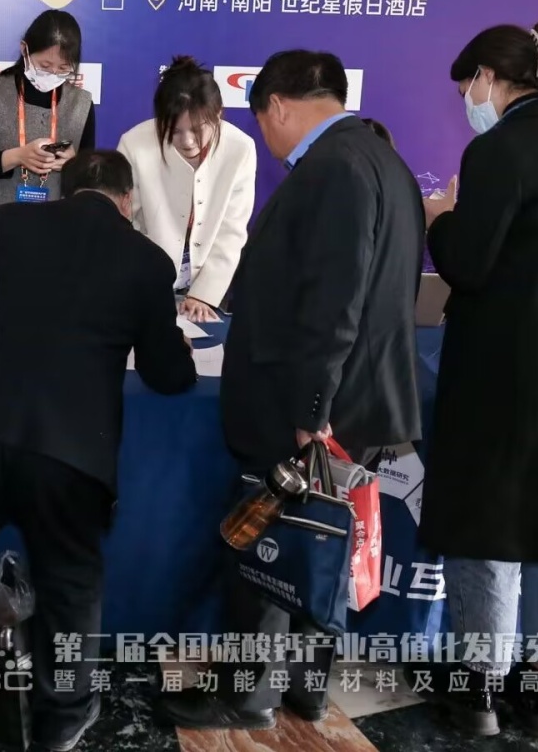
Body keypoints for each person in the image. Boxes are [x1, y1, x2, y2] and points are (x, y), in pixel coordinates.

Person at [155, 50, 424, 731]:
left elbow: (334, 302)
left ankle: (246, 695)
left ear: (276, 106)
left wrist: (311, 410)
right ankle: (304, 685)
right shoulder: (381, 159)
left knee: (273, 547)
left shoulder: (333, 168)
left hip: (310, 405)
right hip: (357, 399)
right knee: (322, 542)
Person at [416, 22, 538, 739]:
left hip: (501, 372)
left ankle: (477, 693)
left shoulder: (500, 149)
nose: (469, 102)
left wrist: (440, 219)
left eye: (467, 88)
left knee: (490, 531)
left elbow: (468, 263)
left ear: (488, 78)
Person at [0, 149, 198, 751]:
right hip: (70, 456)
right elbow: (166, 375)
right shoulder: (146, 259)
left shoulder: (4, 223)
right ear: (128, 199)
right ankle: (64, 713)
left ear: (65, 189)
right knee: (70, 586)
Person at [117, 56, 257, 323]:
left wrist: (205, 293)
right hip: (145, 279)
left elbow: (232, 229)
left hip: (210, 283)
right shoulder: (134, 144)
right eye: (174, 130)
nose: (188, 141)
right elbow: (125, 223)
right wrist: (144, 282)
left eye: (197, 129)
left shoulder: (241, 148)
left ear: (218, 114)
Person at [0, 9, 96, 207]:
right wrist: (17, 156)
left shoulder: (81, 103)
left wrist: (73, 164)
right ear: (25, 50)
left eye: (63, 68)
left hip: (55, 218)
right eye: (45, 65)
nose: (53, 74)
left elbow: (88, 182)